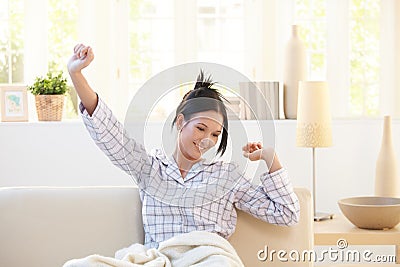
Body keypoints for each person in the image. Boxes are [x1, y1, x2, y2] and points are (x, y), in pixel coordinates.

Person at [67, 44, 300, 250]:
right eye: (200, 128)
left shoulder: (226, 177)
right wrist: (76, 73)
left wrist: (270, 159)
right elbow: (111, 135)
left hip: (210, 259)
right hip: (162, 260)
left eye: (216, 134)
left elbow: (287, 214)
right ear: (180, 122)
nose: (207, 139)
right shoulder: (149, 169)